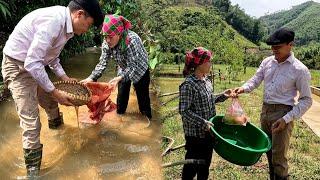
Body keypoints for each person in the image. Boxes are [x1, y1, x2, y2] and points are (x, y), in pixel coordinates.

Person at [1, 0, 103, 176]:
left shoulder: (66, 28)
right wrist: (55, 91)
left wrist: (64, 78)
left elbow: (52, 59)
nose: (86, 30)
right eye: (88, 24)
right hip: (17, 66)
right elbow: (32, 63)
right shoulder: (54, 21)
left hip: (33, 64)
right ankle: (32, 174)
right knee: (31, 122)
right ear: (79, 14)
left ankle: (58, 133)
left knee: (50, 102)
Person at [233, 28, 312, 180]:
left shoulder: (300, 70)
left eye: (278, 47)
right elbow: (255, 80)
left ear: (290, 45)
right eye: (272, 47)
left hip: (283, 114)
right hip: (266, 112)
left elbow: (307, 100)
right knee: (268, 151)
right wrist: (242, 88)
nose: (274, 50)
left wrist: (286, 119)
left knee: (279, 158)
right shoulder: (267, 62)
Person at [81, 14, 152, 120]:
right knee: (121, 98)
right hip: (123, 67)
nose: (107, 40)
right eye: (105, 36)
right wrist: (91, 78)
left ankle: (147, 120)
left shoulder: (132, 41)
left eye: (110, 37)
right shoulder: (107, 41)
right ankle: (120, 118)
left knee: (143, 99)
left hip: (139, 68)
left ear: (119, 34)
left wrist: (120, 77)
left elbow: (133, 66)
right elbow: (102, 63)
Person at [179, 47, 232, 180]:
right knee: (191, 167)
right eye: (209, 61)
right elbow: (184, 111)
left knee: (205, 167)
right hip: (196, 136)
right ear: (200, 63)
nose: (211, 64)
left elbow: (209, 99)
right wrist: (203, 123)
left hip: (209, 133)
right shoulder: (188, 85)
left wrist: (223, 96)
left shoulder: (206, 81)